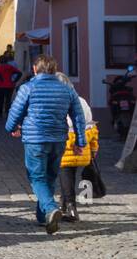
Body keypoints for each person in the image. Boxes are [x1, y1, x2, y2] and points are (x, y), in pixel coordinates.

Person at [5, 55, 86, 234]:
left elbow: (15, 111)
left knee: (37, 177)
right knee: (49, 176)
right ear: (54, 70)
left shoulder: (28, 87)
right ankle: (43, 218)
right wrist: (80, 140)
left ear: (35, 69)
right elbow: (78, 116)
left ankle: (50, 208)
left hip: (35, 139)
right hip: (58, 139)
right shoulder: (67, 90)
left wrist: (11, 127)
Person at [58, 101, 98, 223]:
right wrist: (93, 148)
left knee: (66, 176)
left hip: (67, 148)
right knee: (70, 176)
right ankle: (63, 205)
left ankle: (71, 208)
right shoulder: (82, 101)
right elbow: (92, 127)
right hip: (82, 149)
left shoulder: (60, 102)